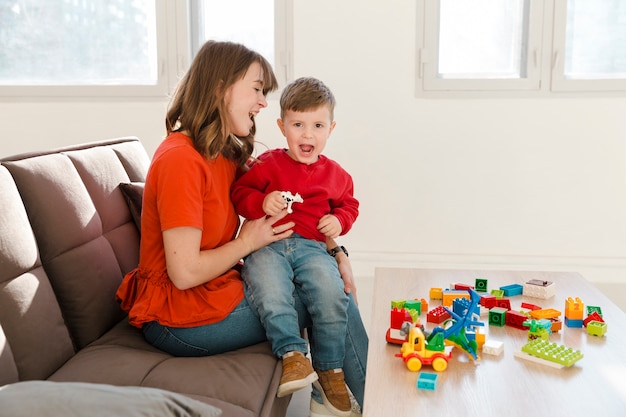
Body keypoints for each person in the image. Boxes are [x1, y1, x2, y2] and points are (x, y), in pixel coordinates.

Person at [114, 40, 367, 417]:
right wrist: (248, 242)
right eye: (257, 88)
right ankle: (367, 399)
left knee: (324, 278)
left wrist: (335, 251)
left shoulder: (222, 151)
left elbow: (298, 202)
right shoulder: (180, 160)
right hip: (177, 317)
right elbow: (183, 274)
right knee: (327, 295)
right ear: (221, 87)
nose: (264, 102)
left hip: (212, 290)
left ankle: (349, 395)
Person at [231, 77, 358, 417]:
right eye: (298, 125)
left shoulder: (337, 175)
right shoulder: (267, 164)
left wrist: (340, 222)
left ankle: (331, 371)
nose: (307, 135)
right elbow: (241, 195)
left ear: (331, 129)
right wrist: (263, 202)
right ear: (282, 126)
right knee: (270, 291)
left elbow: (349, 205)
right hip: (267, 245)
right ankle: (293, 356)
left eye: (317, 126)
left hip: (312, 248)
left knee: (331, 295)